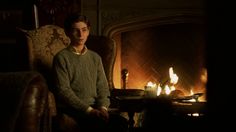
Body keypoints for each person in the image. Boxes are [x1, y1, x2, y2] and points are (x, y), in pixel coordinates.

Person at [52, 13, 128, 132]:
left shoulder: (95, 57)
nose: (80, 35)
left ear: (88, 31)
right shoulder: (61, 58)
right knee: (98, 125)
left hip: (95, 107)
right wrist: (89, 111)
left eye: (84, 30)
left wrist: (103, 108)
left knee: (121, 123)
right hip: (74, 109)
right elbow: (63, 91)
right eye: (75, 30)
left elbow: (103, 87)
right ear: (67, 33)